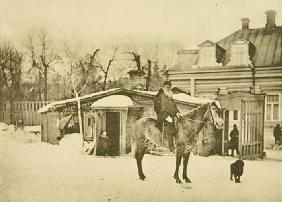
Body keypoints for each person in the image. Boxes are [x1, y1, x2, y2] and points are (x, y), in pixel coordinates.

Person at [154, 80, 181, 152]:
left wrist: (177, 112)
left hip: (172, 117)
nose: (168, 88)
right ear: (163, 87)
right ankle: (171, 148)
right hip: (162, 118)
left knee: (179, 126)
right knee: (170, 130)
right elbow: (157, 108)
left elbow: (173, 106)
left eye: (169, 87)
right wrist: (166, 117)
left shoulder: (169, 96)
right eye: (166, 87)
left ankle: (179, 146)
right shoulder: (159, 96)